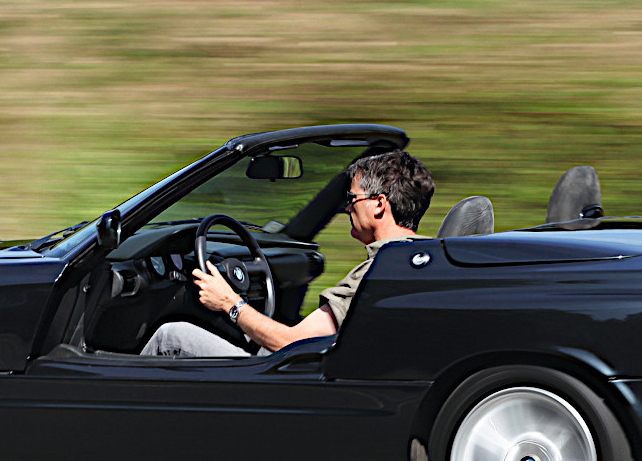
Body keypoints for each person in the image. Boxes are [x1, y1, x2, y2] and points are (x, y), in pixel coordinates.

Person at [141, 150, 434, 357]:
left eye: (351, 198)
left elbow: (290, 343)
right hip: (343, 376)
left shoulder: (376, 271)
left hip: (303, 387)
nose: (347, 207)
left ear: (379, 204)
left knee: (171, 337)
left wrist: (228, 302)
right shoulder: (425, 262)